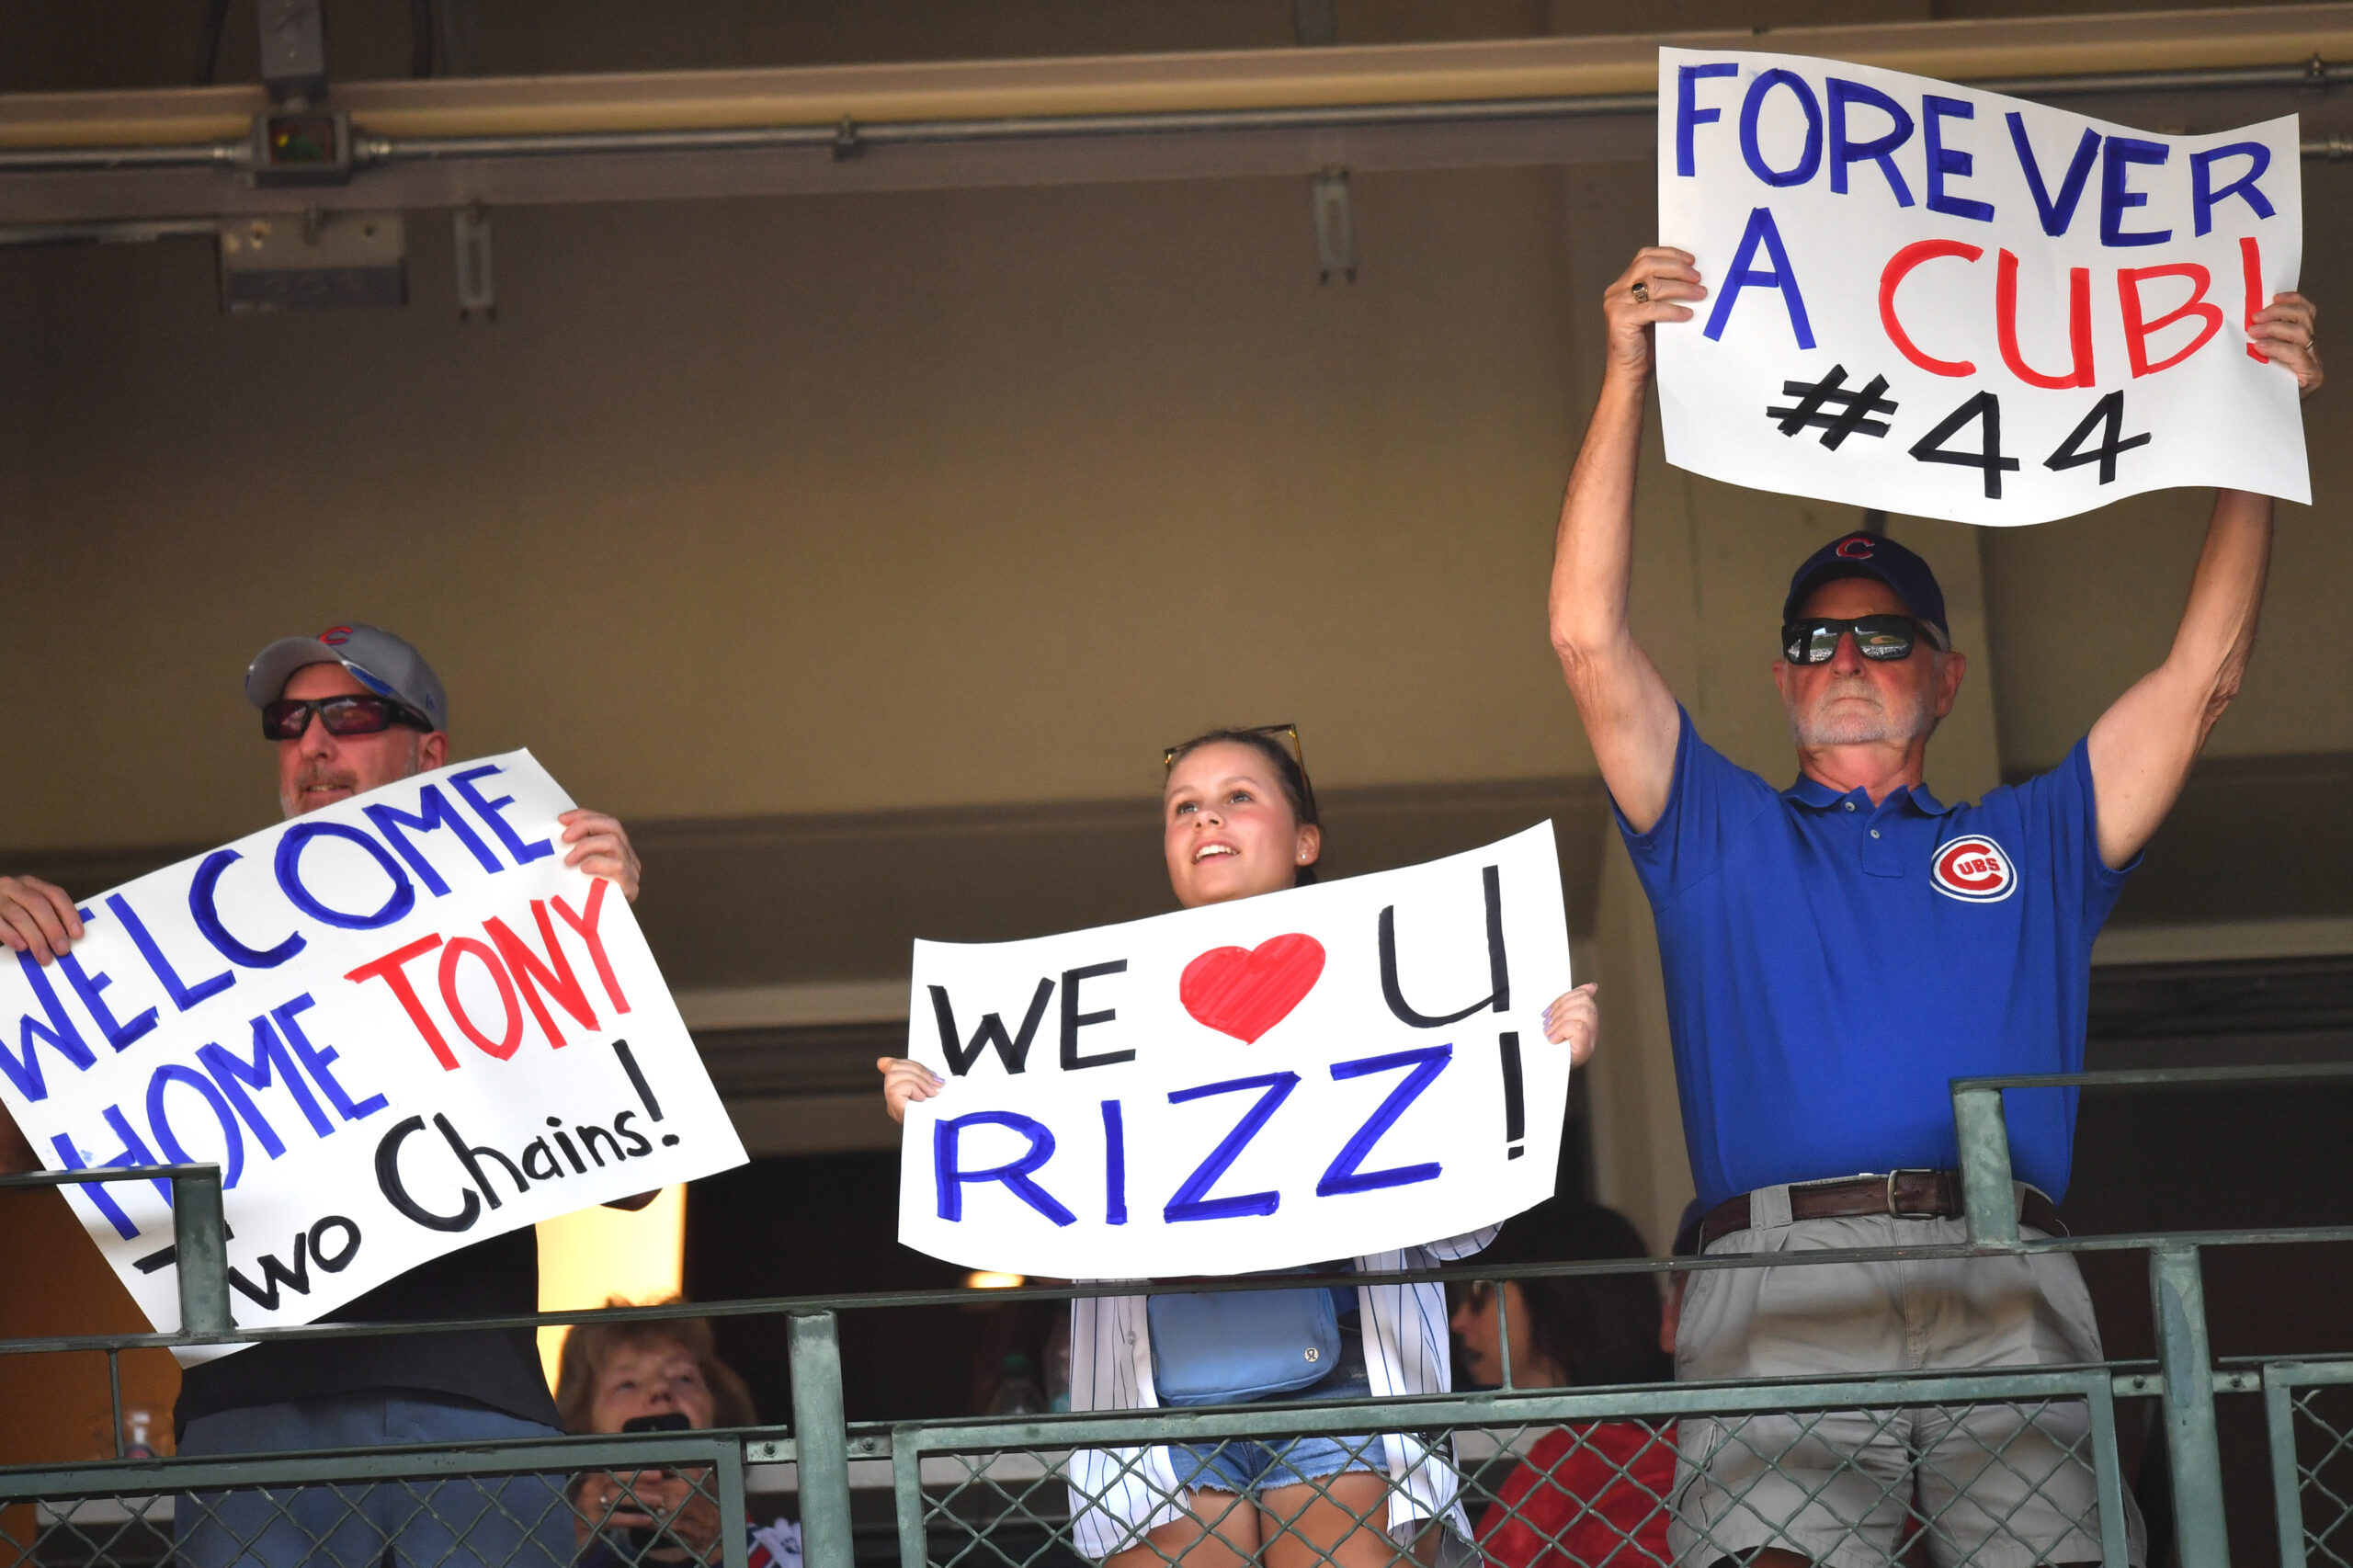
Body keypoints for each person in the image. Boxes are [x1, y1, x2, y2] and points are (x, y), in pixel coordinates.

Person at [1549, 249, 2322, 1568]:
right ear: (1784, 682)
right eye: (1813, 640)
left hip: (2002, 1259)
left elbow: (2204, 678)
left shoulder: (2033, 836)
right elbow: (1585, 635)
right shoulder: (1714, 823)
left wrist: (2260, 423)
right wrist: (1627, 373)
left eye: (1882, 631)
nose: (1843, 655)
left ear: (1946, 676)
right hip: (1779, 1271)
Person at [0, 623, 648, 1568]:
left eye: (349, 714)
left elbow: (632, 1177)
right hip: (253, 1417)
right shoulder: (172, 942)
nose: (313, 742)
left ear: (428, 751)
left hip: (468, 1403)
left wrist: (603, 939)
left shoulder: (522, 904)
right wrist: (9, 987)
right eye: (289, 720)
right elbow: (15, 1154)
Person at [881, 725, 1601, 1568]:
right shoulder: (1098, 1010)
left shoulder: (1386, 986)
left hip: (1348, 1390)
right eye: (1183, 807)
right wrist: (943, 1119)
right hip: (1150, 1411)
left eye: (1238, 796)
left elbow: (1454, 1224)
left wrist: (1535, 1063)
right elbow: (1054, 1221)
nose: (1205, 819)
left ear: (1306, 840)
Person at [1449, 1203, 1676, 1568]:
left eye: (1479, 1292)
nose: (1458, 1320)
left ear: (1554, 1295)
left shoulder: (1569, 1465)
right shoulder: (1689, 1439)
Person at [556, 1301, 801, 1568]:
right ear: (583, 1428)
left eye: (684, 1377)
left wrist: (724, 1544)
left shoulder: (796, 1547)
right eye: (627, 1384)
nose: (660, 1389)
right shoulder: (563, 1552)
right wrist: (566, 1544)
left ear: (719, 1418)